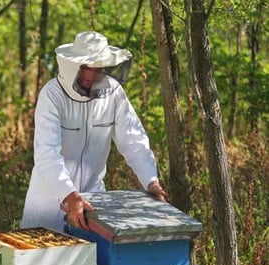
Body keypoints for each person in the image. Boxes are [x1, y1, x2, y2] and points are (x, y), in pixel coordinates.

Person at [20, 31, 168, 232]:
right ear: (73, 65)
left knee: (93, 262)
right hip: (48, 207)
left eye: (97, 68)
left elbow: (134, 140)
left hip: (93, 205)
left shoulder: (113, 93)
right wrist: (69, 195)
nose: (90, 75)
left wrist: (151, 181)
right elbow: (47, 154)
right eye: (85, 68)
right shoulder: (52, 95)